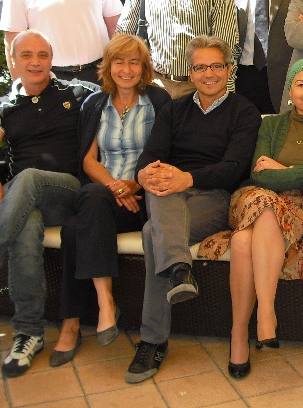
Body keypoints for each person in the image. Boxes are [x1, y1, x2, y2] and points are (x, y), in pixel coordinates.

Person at [197, 58, 303, 378]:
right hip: (252, 197)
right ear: (290, 92)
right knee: (265, 203)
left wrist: (282, 170)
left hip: (299, 206)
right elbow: (259, 175)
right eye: (301, 84)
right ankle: (266, 313)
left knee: (243, 242)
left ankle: (238, 336)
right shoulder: (270, 125)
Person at [125, 36, 260, 384]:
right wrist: (143, 174)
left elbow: (234, 168)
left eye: (216, 66)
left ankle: (153, 342)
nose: (208, 73)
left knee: (152, 231)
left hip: (215, 197)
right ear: (190, 72)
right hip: (170, 194)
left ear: (228, 70)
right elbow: (150, 156)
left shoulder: (244, 112)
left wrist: (188, 178)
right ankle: (179, 271)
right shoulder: (174, 109)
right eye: (200, 67)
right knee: (160, 191)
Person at [50, 35, 171, 367]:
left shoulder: (158, 101)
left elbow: (165, 152)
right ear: (108, 66)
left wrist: (134, 185)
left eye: (134, 62)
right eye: (119, 61)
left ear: (144, 68)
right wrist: (116, 188)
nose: (126, 69)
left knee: (74, 228)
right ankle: (104, 302)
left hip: (140, 198)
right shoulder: (94, 104)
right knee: (90, 201)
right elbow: (88, 160)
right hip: (105, 194)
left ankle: (72, 323)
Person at [0, 31, 97, 377]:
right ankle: (29, 332)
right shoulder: (3, 106)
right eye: (26, 55)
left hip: (68, 192)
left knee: (29, 177)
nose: (35, 62)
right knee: (27, 225)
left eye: (42, 55)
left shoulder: (78, 92)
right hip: (26, 203)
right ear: (13, 60)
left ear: (52, 58)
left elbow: (121, 93)